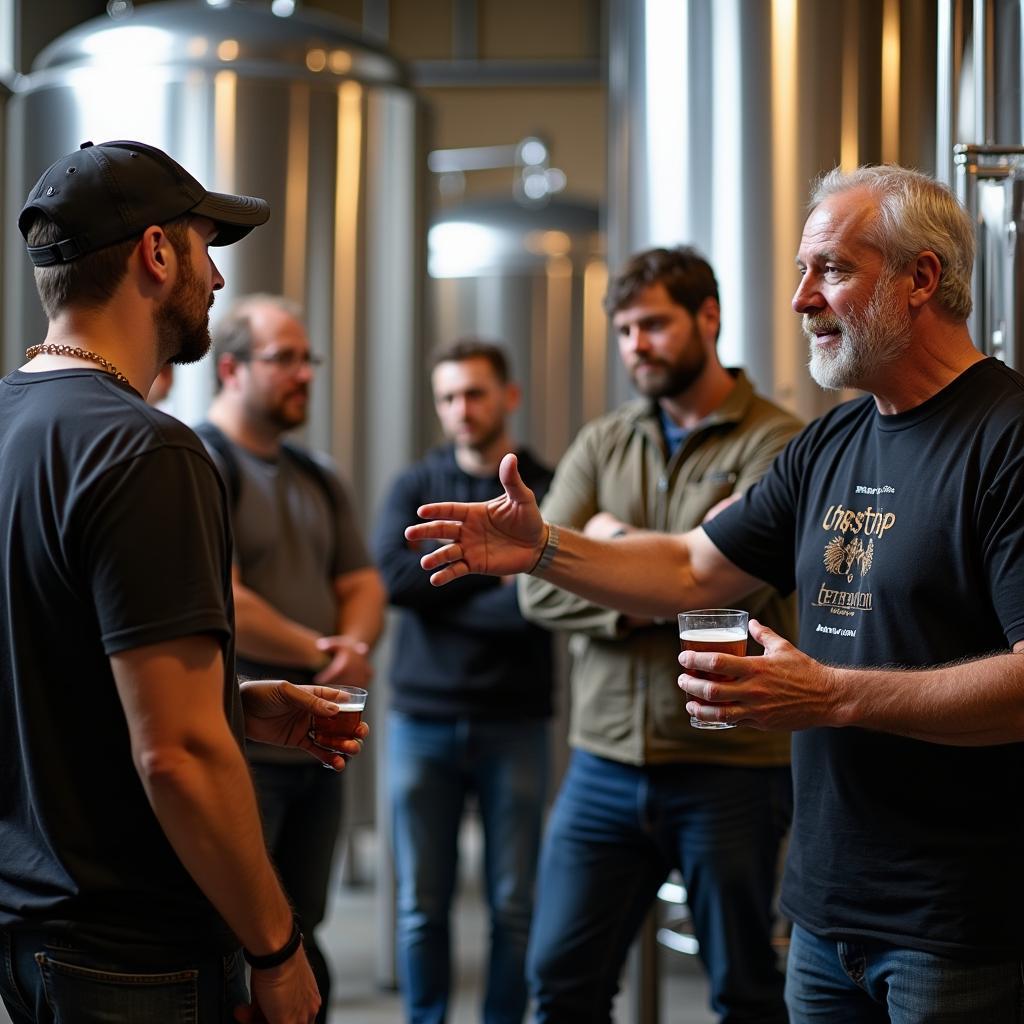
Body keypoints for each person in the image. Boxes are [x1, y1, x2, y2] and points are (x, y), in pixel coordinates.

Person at [407, 165, 1024, 1023]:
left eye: (833, 270)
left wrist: (835, 696)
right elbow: (692, 570)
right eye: (802, 272)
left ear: (923, 278)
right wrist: (544, 546)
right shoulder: (834, 440)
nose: (803, 298)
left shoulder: (1006, 439)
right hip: (823, 913)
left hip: (955, 926)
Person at [0, 139, 367, 1024]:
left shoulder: (14, 422)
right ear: (156, 255)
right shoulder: (147, 448)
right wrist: (277, 950)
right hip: (135, 954)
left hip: (29, 929)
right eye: (207, 248)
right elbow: (178, 756)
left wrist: (231, 705)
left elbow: (47, 673)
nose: (218, 280)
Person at [518, 246, 800, 1023]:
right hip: (604, 762)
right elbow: (533, 585)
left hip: (732, 767)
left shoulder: (778, 444)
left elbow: (746, 590)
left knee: (747, 991)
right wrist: (668, 571)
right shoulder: (605, 440)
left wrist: (604, 546)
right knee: (561, 986)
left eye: (653, 325)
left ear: (708, 317)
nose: (635, 345)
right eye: (623, 330)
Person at [201, 293, 386, 1023]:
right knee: (241, 943)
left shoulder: (318, 474)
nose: (303, 373)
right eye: (285, 359)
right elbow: (223, 595)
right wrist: (321, 649)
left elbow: (363, 580)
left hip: (316, 746)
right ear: (231, 369)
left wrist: (354, 647)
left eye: (308, 358)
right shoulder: (200, 463)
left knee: (305, 923)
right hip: (242, 744)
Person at [372, 339, 555, 1024]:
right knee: (422, 906)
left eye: (475, 393)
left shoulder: (546, 484)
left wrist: (447, 577)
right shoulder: (415, 486)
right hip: (421, 721)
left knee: (513, 906)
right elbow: (394, 581)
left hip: (515, 720)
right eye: (448, 396)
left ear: (508, 396)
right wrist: (497, 571)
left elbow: (547, 603)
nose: (461, 409)